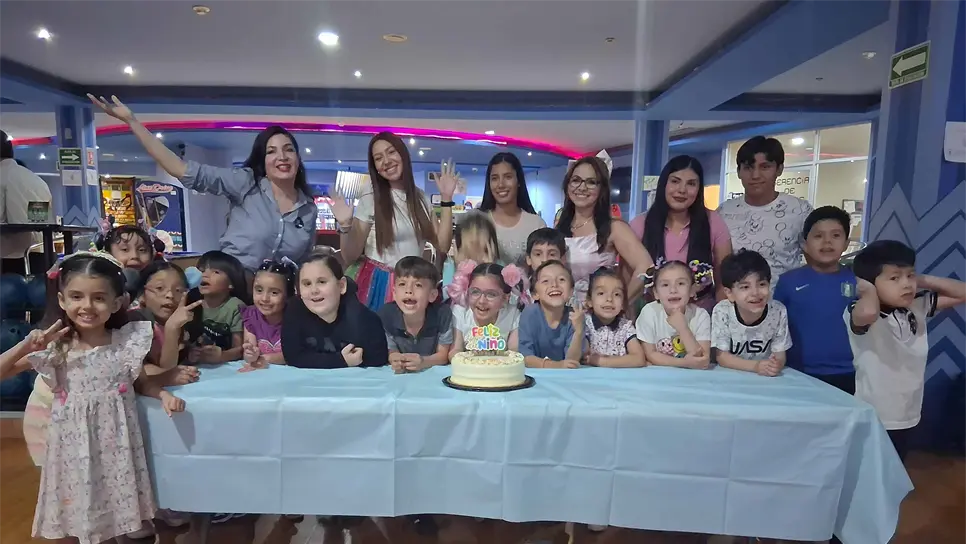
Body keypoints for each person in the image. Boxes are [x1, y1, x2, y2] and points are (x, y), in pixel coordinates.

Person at [0, 252, 185, 543]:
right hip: (74, 453)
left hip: (118, 450)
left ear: (116, 303)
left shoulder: (126, 343)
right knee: (84, 519)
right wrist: (25, 345)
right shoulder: (57, 348)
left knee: (122, 519)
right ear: (62, 300)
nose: (87, 306)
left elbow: (142, 383)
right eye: (76, 296)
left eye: (98, 298)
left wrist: (162, 394)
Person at [88, 95, 318, 272]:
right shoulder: (246, 183)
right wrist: (132, 122)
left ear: (298, 158)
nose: (282, 157)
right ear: (263, 160)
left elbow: (304, 262)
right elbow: (181, 169)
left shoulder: (308, 208)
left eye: (289, 150)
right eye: (271, 151)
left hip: (278, 298)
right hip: (234, 288)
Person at [848, 240, 966, 461]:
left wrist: (920, 279)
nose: (906, 284)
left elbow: (963, 293)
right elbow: (869, 313)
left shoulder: (917, 305)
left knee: (897, 465)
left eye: (909, 276)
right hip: (876, 411)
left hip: (909, 410)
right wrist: (867, 289)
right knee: (873, 469)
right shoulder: (859, 309)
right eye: (894, 278)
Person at [330, 132, 457, 310]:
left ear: (402, 154)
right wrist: (345, 226)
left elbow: (442, 246)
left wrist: (446, 199)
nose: (386, 161)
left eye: (391, 152)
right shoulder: (371, 197)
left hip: (412, 282)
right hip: (377, 283)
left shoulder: (420, 198)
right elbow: (350, 256)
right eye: (378, 158)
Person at [630, 155, 732, 313]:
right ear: (663, 184)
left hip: (701, 316)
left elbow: (724, 279)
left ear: (699, 189)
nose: (682, 190)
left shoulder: (713, 222)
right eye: (675, 181)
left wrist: (722, 318)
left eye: (691, 184)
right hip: (653, 317)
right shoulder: (640, 225)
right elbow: (627, 280)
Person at [774, 206, 857, 393]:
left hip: (849, 372)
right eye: (818, 236)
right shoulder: (788, 282)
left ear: (846, 243)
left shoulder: (858, 282)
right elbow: (775, 326)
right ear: (804, 244)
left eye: (836, 235)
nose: (827, 242)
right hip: (797, 372)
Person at [556, 156, 653, 306]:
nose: (582, 187)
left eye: (591, 182)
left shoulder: (614, 228)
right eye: (576, 180)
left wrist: (621, 304)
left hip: (597, 314)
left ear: (602, 189)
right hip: (561, 313)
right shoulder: (559, 226)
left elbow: (646, 266)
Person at [717, 136, 813, 283]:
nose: (755, 175)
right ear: (739, 172)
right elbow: (718, 267)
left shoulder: (801, 211)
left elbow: (815, 265)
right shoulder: (723, 213)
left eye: (765, 167)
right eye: (748, 168)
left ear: (779, 169)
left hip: (785, 296)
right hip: (736, 297)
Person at [282, 252, 389, 369]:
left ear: (342, 286)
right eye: (307, 284)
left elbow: (378, 360)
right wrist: (341, 360)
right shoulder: (294, 311)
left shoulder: (366, 320)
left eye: (322, 282)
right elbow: (293, 358)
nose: (314, 290)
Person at [711, 250, 792, 376]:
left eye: (762, 284)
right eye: (745, 287)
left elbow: (780, 355)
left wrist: (774, 366)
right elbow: (722, 357)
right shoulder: (722, 311)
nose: (755, 293)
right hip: (730, 376)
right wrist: (756, 366)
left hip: (765, 377)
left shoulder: (778, 311)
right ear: (729, 293)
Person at [131, 261, 201, 383]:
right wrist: (171, 328)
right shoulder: (135, 321)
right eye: (159, 288)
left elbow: (170, 365)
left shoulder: (181, 318)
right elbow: (144, 370)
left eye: (178, 290)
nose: (170, 295)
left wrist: (190, 353)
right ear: (142, 294)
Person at [380, 256, 453, 374]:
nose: (408, 290)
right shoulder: (386, 315)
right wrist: (395, 359)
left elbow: (443, 356)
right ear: (394, 293)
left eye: (418, 285)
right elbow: (391, 351)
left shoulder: (442, 314)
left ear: (432, 295)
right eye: (402, 284)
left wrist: (423, 362)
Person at [472, 152, 546, 265]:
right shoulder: (478, 222)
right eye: (494, 178)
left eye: (508, 177)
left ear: (519, 181)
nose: (501, 184)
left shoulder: (536, 224)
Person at [636, 261, 712, 369]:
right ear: (656, 293)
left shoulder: (700, 316)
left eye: (681, 283)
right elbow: (650, 354)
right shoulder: (649, 312)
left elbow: (702, 360)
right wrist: (683, 363)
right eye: (665, 285)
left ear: (692, 290)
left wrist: (683, 328)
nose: (673, 290)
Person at [448, 262, 527, 358]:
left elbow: (514, 352)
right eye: (475, 292)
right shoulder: (461, 312)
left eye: (491, 294)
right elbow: (455, 350)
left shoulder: (512, 314)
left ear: (505, 298)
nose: (482, 301)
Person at [0, 130, 53, 270]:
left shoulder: (2, 178)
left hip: (8, 261)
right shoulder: (35, 180)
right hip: (40, 255)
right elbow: (39, 221)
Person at [183, 250, 248, 364]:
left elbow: (239, 349)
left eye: (216, 272)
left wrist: (222, 356)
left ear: (231, 283)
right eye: (202, 270)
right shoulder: (192, 301)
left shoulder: (235, 307)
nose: (205, 275)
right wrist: (189, 353)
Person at [519, 260, 584, 368]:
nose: (554, 285)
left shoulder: (575, 316)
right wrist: (556, 365)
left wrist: (578, 332)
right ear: (535, 294)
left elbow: (572, 362)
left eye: (561, 279)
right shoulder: (530, 314)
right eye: (546, 281)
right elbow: (525, 358)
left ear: (571, 291)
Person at [240, 259, 297, 371]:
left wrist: (265, 358)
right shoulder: (251, 316)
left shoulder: (295, 317)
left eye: (274, 292)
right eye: (259, 290)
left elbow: (295, 354)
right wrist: (251, 355)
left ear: (288, 295)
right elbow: (248, 354)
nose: (265, 298)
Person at [582, 267, 644, 368]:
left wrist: (602, 362)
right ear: (589, 301)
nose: (609, 299)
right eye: (601, 293)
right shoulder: (585, 323)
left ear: (623, 303)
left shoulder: (625, 327)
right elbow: (583, 355)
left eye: (617, 294)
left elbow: (639, 359)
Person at [442, 212, 501, 291]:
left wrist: (489, 270)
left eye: (479, 245)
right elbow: (448, 295)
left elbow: (498, 295)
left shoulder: (500, 267)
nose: (475, 250)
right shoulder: (450, 265)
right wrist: (460, 272)